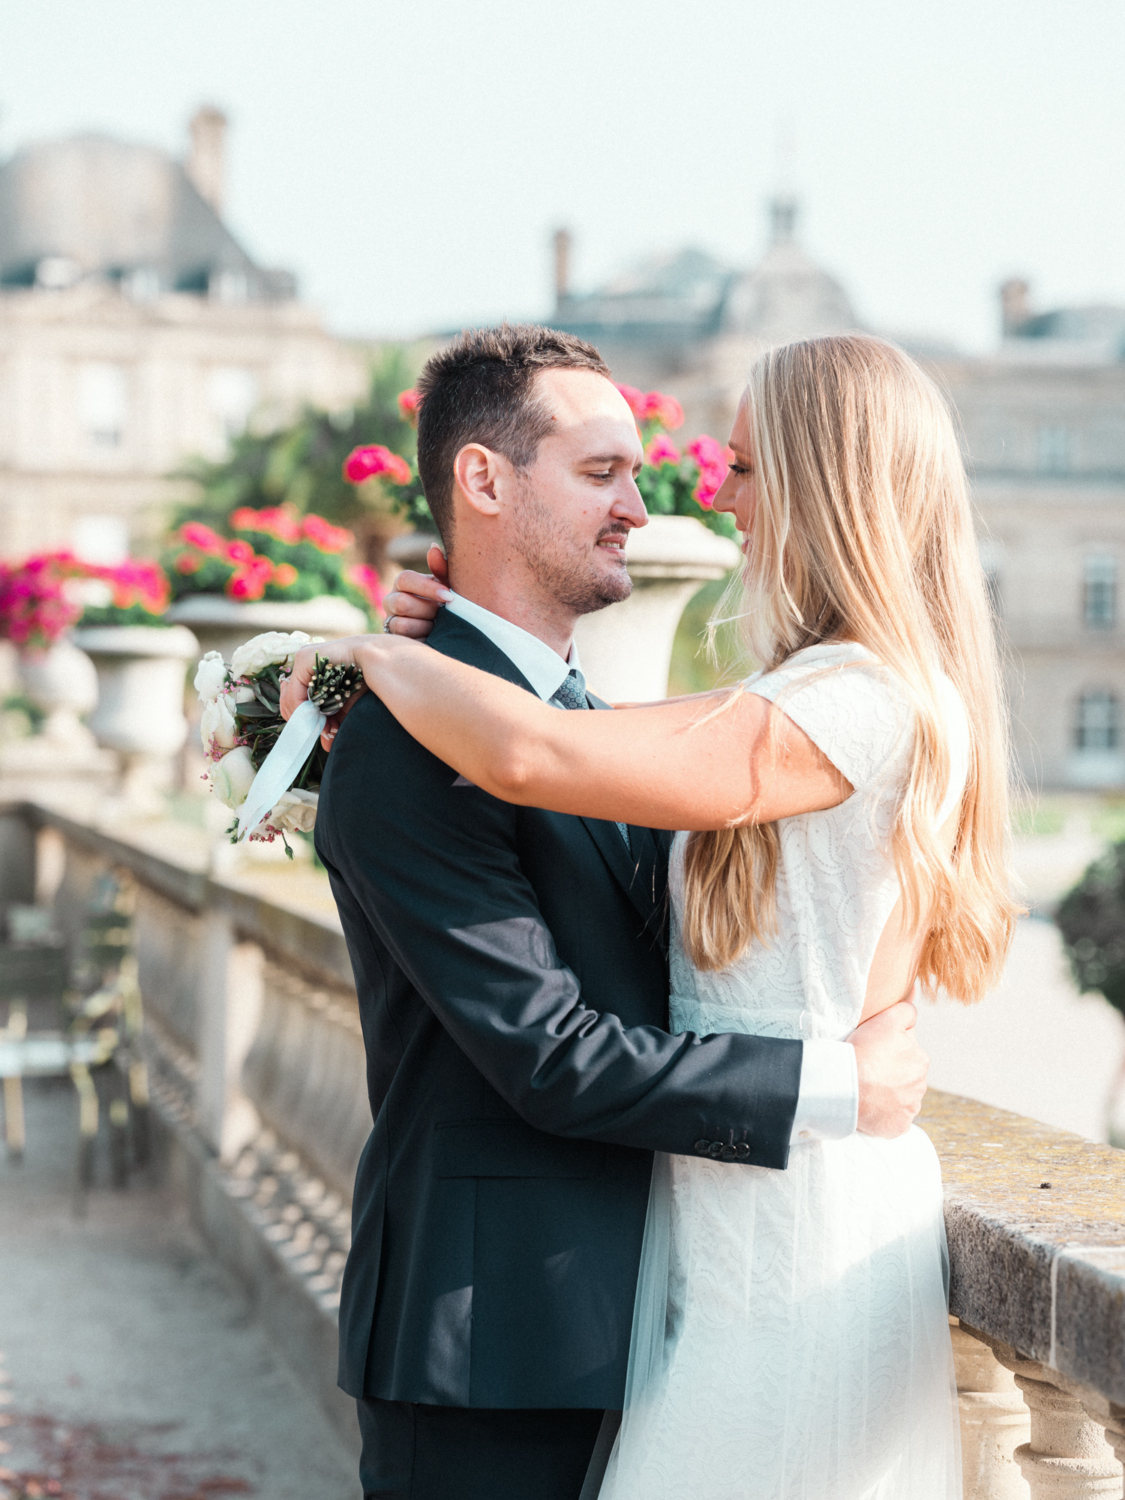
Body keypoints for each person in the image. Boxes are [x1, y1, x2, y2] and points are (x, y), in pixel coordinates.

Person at [280, 325, 934, 1500]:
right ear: (482, 481)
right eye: (601, 474)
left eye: (639, 472)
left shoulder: (592, 722)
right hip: (493, 1341)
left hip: (661, 1313)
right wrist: (839, 1085)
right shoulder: (405, 737)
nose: (645, 505)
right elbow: (548, 1056)